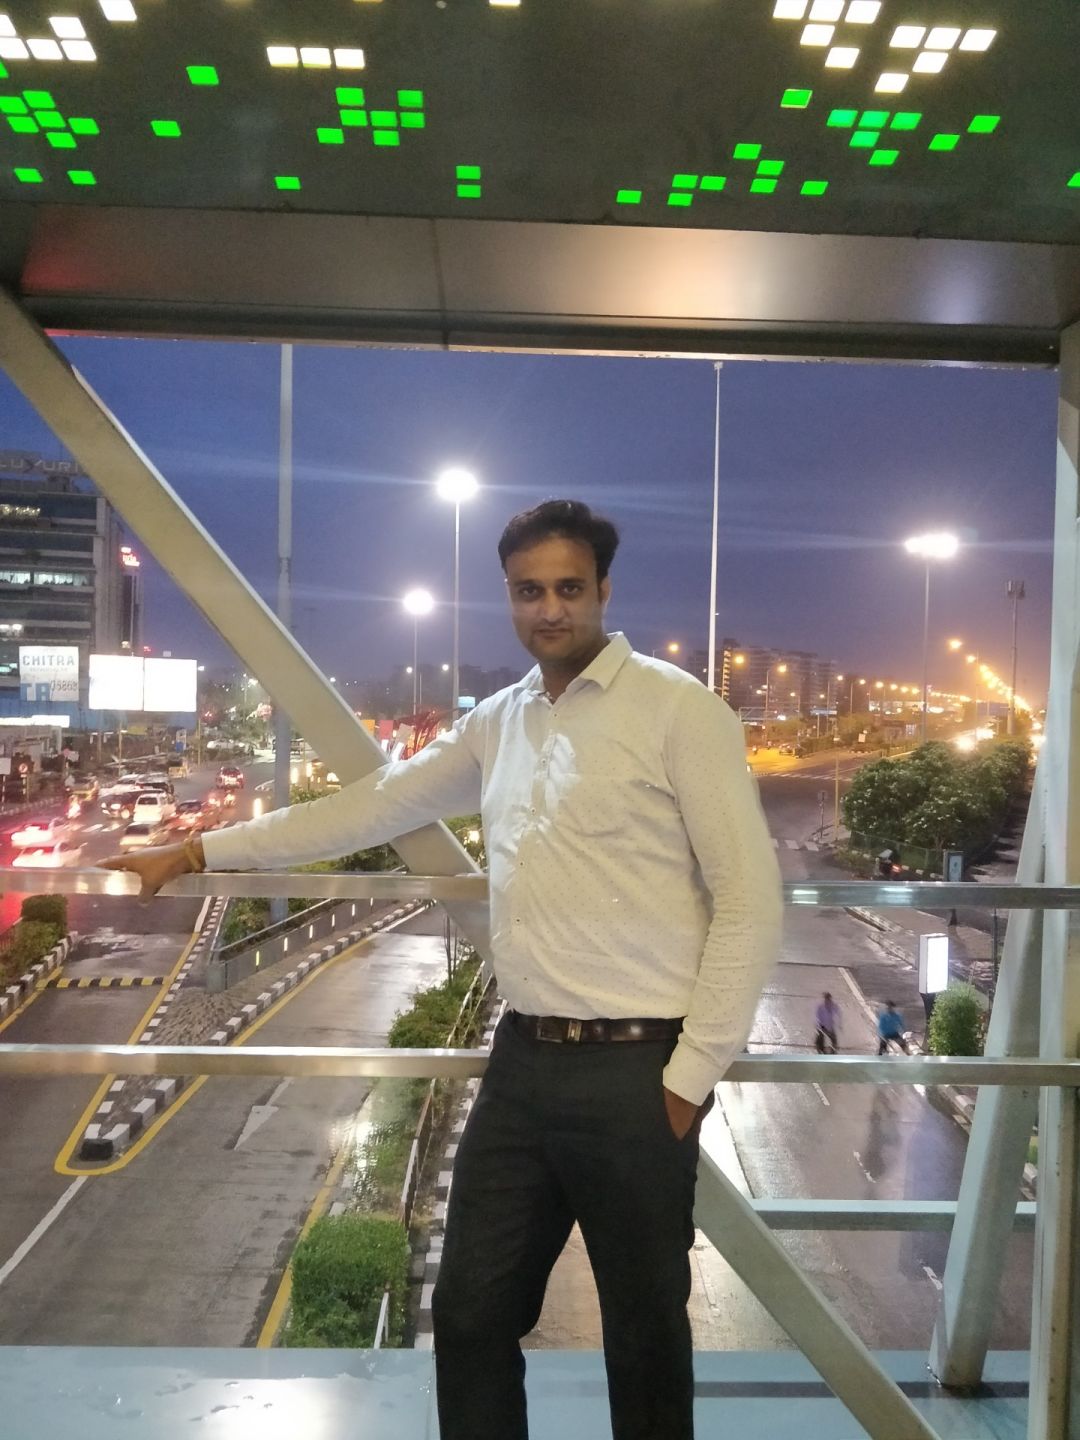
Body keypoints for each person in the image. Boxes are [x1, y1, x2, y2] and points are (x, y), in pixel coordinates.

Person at [102, 498, 783, 1440]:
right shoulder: (500, 722)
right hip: (522, 1063)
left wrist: (689, 1077)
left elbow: (751, 900)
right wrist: (199, 850)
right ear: (509, 597)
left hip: (639, 1071)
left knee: (643, 1334)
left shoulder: (679, 711)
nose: (550, 608)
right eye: (529, 591)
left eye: (569, 588)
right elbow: (369, 806)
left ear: (603, 590)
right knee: (468, 1314)